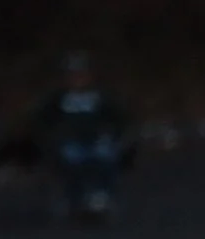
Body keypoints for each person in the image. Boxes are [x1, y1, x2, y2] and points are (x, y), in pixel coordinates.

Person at [34, 52, 134, 220]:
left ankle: (101, 197)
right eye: (72, 75)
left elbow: (119, 118)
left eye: (81, 74)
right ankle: (76, 200)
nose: (77, 79)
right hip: (70, 142)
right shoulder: (59, 98)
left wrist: (117, 136)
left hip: (97, 140)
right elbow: (42, 120)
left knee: (106, 158)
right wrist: (51, 138)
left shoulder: (99, 96)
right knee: (72, 162)